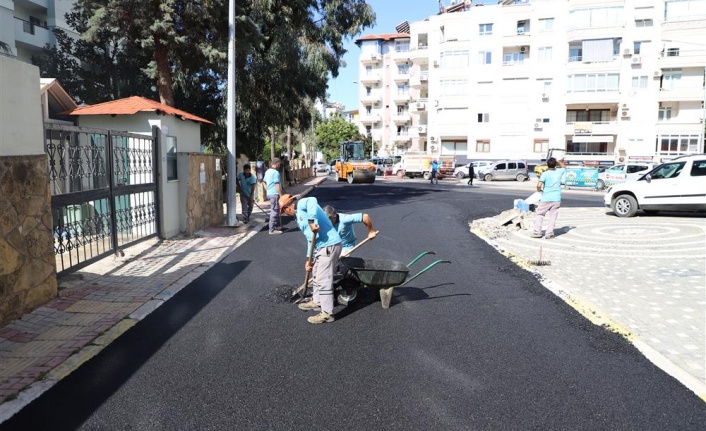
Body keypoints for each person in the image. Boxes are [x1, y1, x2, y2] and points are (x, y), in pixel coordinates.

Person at [280, 194, 342, 324]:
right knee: (315, 274)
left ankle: (327, 313)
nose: (286, 214)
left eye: (284, 210)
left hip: (329, 246)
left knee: (322, 279)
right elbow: (310, 239)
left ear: (288, 207)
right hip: (320, 247)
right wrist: (309, 259)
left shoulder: (302, 204)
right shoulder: (299, 218)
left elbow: (312, 200)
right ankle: (317, 301)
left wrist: (312, 221)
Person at [531, 157, 566, 239]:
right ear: (555, 165)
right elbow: (564, 167)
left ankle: (537, 232)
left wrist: (539, 190)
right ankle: (549, 234)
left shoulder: (545, 174)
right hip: (556, 198)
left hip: (546, 198)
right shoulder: (559, 171)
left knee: (540, 214)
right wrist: (557, 161)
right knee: (553, 217)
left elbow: (539, 185)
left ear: (547, 165)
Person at [264, 158, 284, 234]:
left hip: (269, 194)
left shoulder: (267, 171)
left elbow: (264, 182)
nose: (279, 166)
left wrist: (268, 190)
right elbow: (277, 185)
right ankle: (272, 229)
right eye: (279, 164)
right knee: (275, 211)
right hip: (274, 194)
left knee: (274, 209)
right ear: (276, 164)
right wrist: (281, 195)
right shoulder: (276, 173)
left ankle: (273, 227)